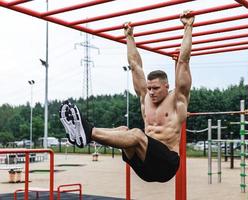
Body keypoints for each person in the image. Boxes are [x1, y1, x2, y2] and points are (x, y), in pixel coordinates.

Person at [59, 10, 194, 183]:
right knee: (123, 130)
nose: (151, 92)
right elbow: (135, 65)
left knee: (136, 134)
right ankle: (84, 134)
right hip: (145, 166)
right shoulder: (145, 97)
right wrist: (129, 37)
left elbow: (183, 61)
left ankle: (87, 131)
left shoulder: (177, 99)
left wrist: (188, 27)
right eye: (149, 87)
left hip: (167, 165)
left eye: (156, 88)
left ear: (167, 86)